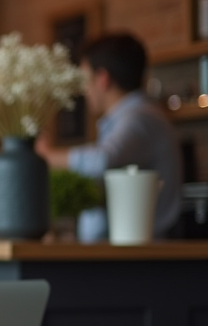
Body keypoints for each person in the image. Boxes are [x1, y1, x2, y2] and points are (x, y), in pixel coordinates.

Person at [38, 33, 183, 240]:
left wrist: (47, 156)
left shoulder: (141, 117)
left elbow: (103, 159)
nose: (84, 89)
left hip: (143, 254)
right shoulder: (126, 118)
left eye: (85, 79)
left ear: (103, 78)